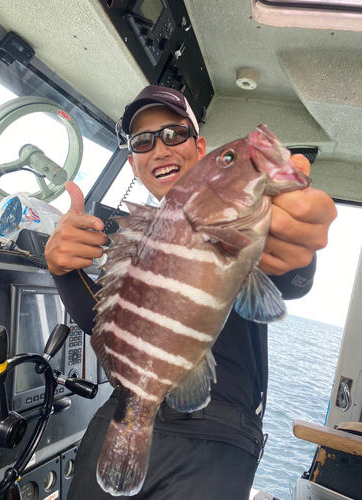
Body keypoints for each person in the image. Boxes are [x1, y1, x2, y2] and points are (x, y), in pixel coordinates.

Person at [45, 85, 337, 500]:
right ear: (133, 164)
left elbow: (289, 279)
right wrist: (60, 269)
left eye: (173, 134)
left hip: (219, 433)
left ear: (199, 147)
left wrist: (299, 249)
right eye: (143, 142)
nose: (159, 149)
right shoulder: (129, 238)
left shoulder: (245, 219)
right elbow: (105, 325)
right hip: (126, 408)